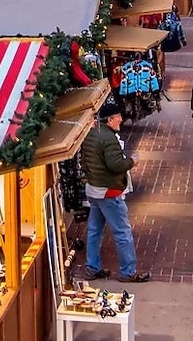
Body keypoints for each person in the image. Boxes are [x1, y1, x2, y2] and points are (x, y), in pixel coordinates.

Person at [81, 99, 150, 283]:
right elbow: (116, 164)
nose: (121, 119)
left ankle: (92, 267)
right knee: (122, 232)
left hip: (94, 190)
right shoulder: (109, 138)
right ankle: (128, 271)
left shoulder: (92, 134)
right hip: (109, 192)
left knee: (95, 230)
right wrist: (132, 161)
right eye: (118, 116)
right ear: (110, 119)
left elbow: (84, 162)